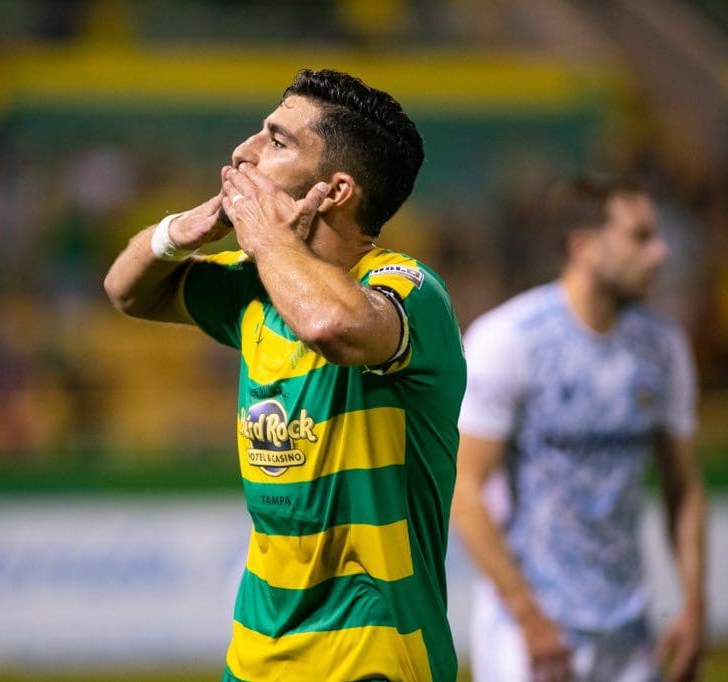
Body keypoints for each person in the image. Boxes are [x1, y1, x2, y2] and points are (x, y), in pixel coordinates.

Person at [104, 69, 465, 681]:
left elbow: (330, 323)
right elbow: (127, 293)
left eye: (276, 141)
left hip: (374, 652)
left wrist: (266, 241)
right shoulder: (256, 288)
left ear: (335, 190)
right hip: (256, 654)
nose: (243, 151)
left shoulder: (408, 290)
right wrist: (180, 233)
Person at [451, 175, 707, 682]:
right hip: (528, 632)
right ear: (584, 247)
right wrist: (527, 615)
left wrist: (695, 602)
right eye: (640, 236)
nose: (659, 253)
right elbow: (464, 487)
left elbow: (685, 486)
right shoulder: (510, 341)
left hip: (629, 634)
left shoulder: (662, 347)